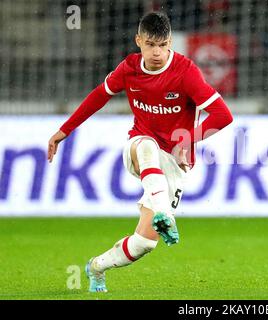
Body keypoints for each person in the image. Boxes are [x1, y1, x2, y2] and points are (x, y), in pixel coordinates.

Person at [47, 12, 233, 293]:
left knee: (144, 243)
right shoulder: (129, 68)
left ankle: (96, 266)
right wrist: (65, 129)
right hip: (140, 145)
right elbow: (99, 95)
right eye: (150, 45)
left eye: (162, 45)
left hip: (173, 161)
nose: (157, 52)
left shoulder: (185, 72)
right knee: (147, 146)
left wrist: (189, 140)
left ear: (170, 43)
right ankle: (163, 214)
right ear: (138, 41)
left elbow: (223, 115)